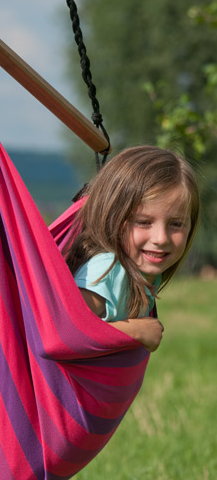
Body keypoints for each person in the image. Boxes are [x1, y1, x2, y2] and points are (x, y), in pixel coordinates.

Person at [66, 145, 200, 352]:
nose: (161, 238)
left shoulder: (141, 272)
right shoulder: (107, 270)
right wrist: (135, 331)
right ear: (113, 218)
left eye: (176, 224)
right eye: (144, 222)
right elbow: (67, 332)